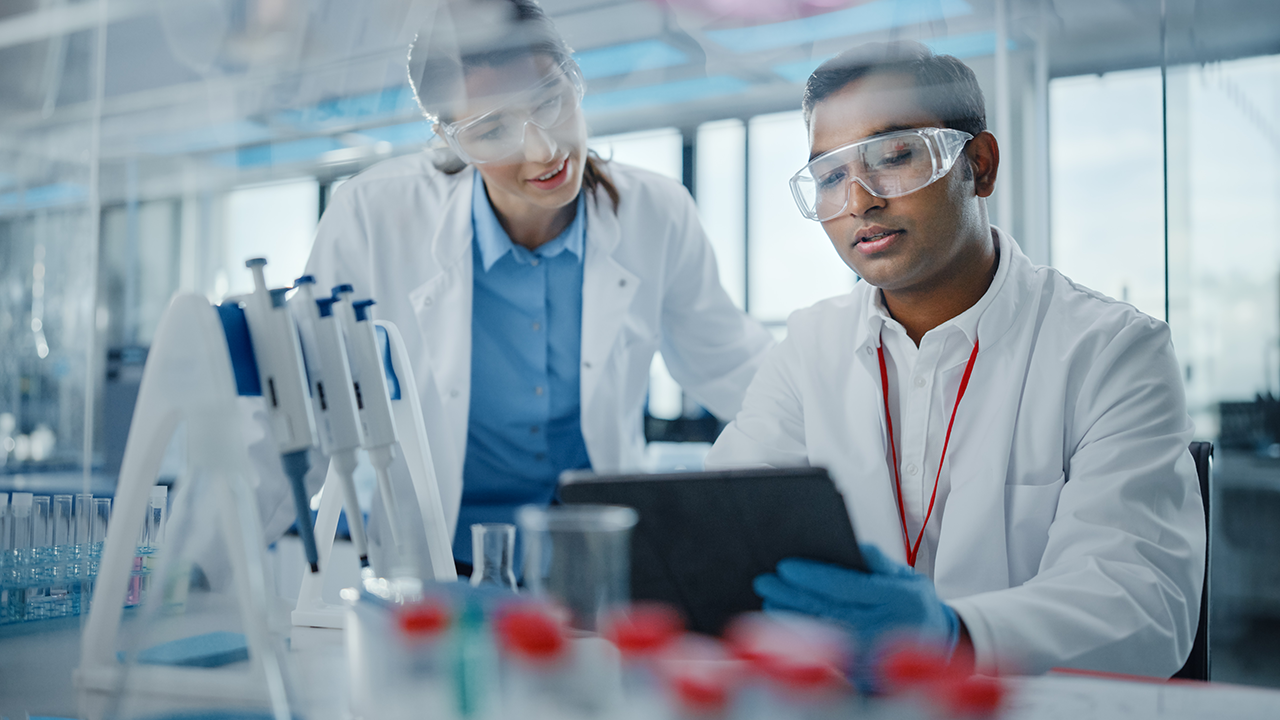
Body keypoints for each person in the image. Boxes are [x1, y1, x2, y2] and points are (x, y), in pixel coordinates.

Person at [704, 41, 1205, 678]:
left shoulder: (1112, 352)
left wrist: (953, 637)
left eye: (893, 156)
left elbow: (1143, 603)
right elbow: (718, 536)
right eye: (829, 177)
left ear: (980, 166)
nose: (859, 200)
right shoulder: (809, 349)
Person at [301, 0, 773, 569]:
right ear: (450, 140)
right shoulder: (372, 215)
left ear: (574, 76)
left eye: (549, 102)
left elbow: (737, 372)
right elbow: (302, 404)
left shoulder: (656, 211)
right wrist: (215, 566)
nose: (542, 150)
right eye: (491, 129)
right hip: (438, 564)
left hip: (593, 561)